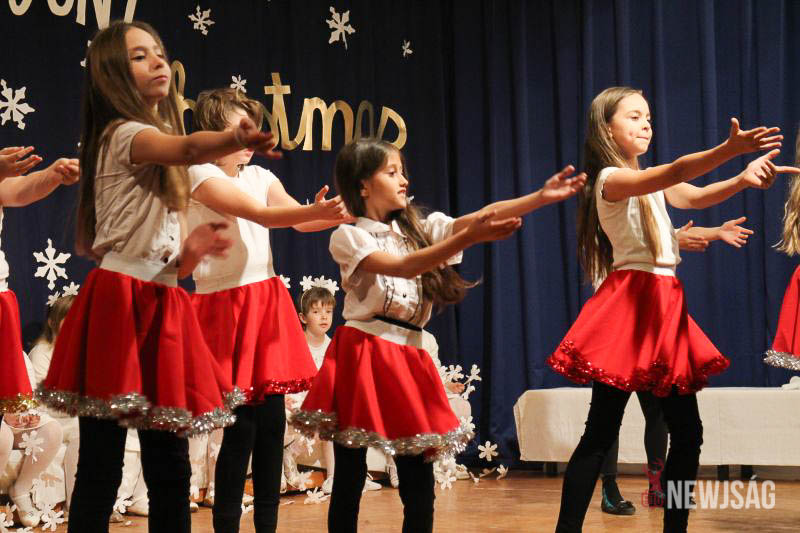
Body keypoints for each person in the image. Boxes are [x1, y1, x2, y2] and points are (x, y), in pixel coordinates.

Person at [36, 20, 281, 533]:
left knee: (169, 465)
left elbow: (165, 254)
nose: (157, 62)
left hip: (162, 299)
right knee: (103, 463)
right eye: (139, 56)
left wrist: (189, 253)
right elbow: (189, 149)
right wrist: (232, 136)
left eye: (160, 53)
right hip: (121, 301)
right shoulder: (125, 133)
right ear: (111, 75)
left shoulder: (156, 147)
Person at [292, 137, 585, 532]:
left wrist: (539, 197)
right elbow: (403, 267)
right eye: (391, 172)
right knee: (350, 474)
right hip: (364, 351)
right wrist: (467, 238)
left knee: (418, 480)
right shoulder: (349, 236)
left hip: (408, 355)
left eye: (403, 172)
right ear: (363, 185)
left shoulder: (421, 228)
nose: (403, 180)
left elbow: (481, 215)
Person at [547, 86, 796, 533]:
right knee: (601, 432)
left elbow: (694, 195)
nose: (646, 124)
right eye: (634, 117)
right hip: (632, 304)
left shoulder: (650, 180)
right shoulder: (610, 179)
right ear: (606, 128)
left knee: (687, 433)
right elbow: (678, 171)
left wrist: (742, 179)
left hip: (664, 303)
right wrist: (729, 150)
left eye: (648, 117)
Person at [186, 87, 350, 533]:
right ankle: (226, 523)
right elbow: (261, 216)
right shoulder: (198, 173)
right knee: (240, 427)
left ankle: (267, 525)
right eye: (240, 129)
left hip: (264, 301)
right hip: (225, 305)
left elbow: (298, 219)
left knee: (272, 424)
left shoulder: (259, 176)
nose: (251, 139)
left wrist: (338, 213)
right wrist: (316, 210)